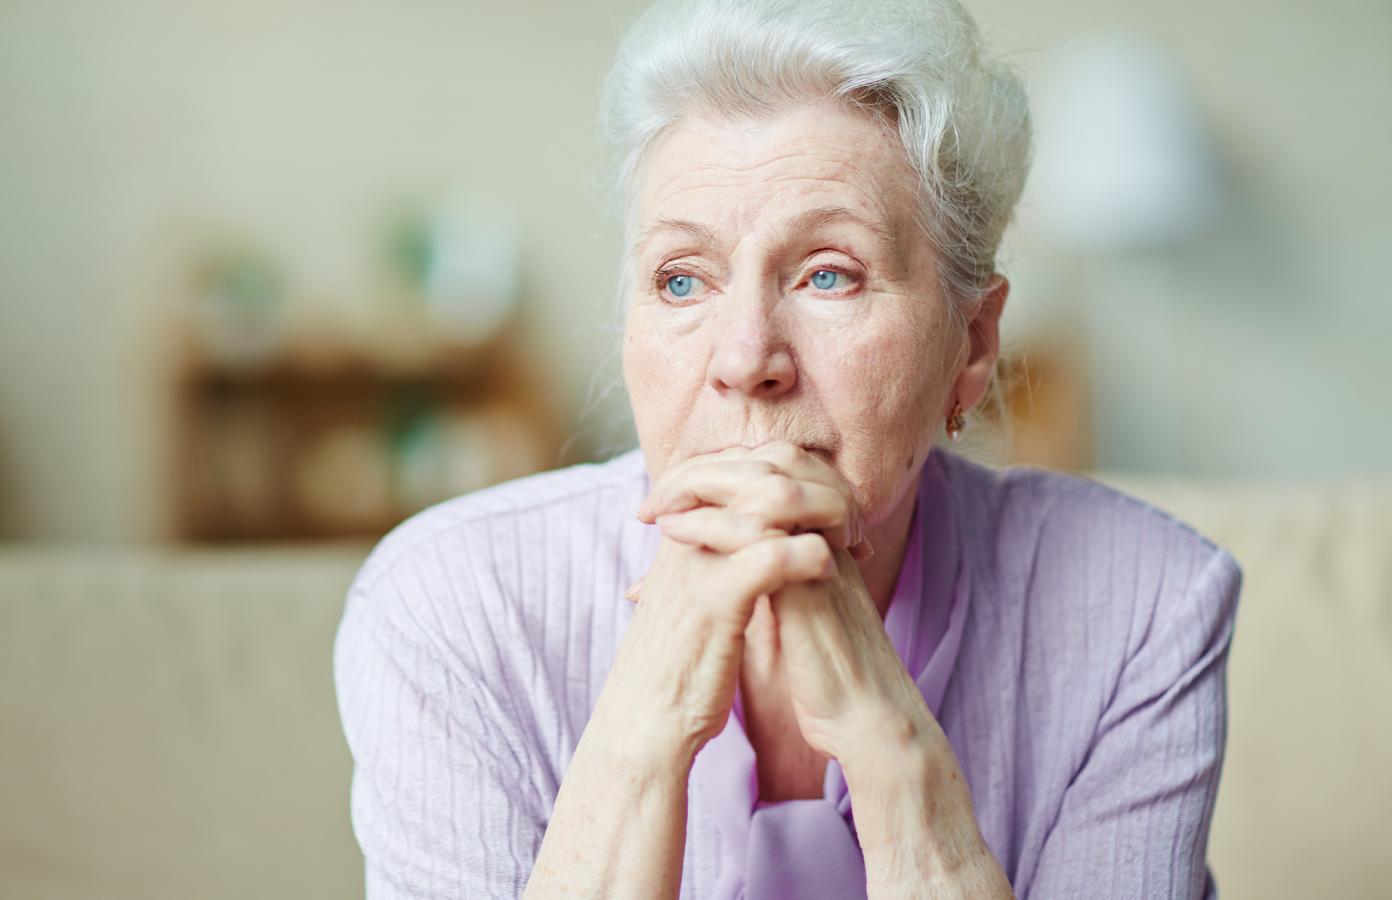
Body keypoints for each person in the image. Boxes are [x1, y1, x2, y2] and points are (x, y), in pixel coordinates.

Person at [335, 0, 1243, 896]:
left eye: (828, 274)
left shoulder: (1142, 607)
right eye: (682, 278)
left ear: (970, 345)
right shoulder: (448, 607)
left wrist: (891, 747)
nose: (744, 359)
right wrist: (644, 724)